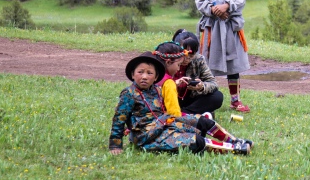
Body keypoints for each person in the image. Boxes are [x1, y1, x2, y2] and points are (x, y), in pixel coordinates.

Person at [108, 51, 252, 156]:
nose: (144, 76)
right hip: (147, 136)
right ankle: (234, 149)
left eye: (149, 73)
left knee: (202, 121)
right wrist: (116, 144)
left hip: (166, 124)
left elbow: (168, 112)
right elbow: (119, 120)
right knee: (195, 141)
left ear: (156, 77)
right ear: (133, 74)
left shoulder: (158, 89)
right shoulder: (129, 94)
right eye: (140, 72)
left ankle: (235, 141)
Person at [195, 0, 251, 113]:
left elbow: (240, 1)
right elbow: (200, 1)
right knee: (207, 63)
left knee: (233, 65)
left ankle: (235, 100)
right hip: (212, 29)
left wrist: (227, 6)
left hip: (231, 29)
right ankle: (204, 97)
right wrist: (214, 9)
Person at [172, 29, 224, 118]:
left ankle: (184, 114)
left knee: (217, 96)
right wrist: (173, 84)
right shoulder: (168, 60)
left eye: (191, 56)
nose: (187, 59)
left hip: (190, 98)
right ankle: (193, 115)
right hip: (171, 97)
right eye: (184, 55)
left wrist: (201, 86)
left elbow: (213, 83)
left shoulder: (199, 60)